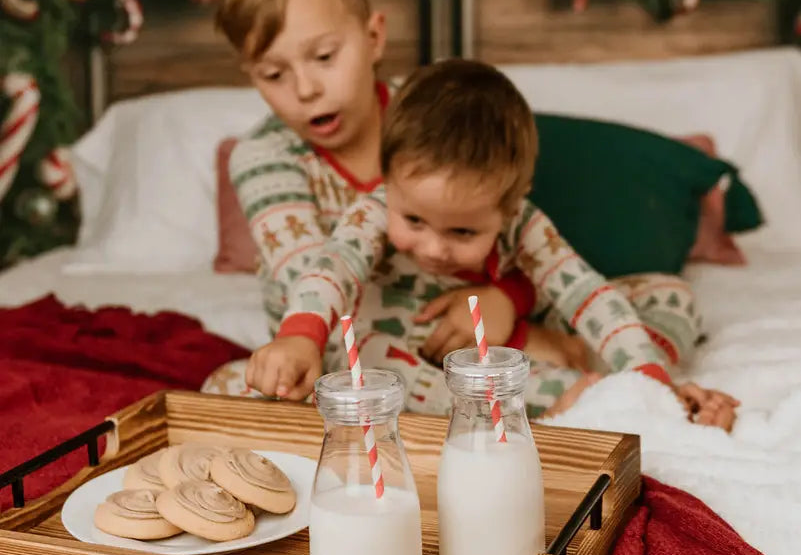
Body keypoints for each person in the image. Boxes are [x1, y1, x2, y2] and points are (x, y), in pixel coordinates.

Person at [239, 59, 738, 429]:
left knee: (670, 295)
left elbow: (586, 294)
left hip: (502, 335)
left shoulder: (523, 221)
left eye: (462, 233)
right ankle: (577, 399)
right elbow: (333, 268)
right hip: (410, 349)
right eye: (413, 220)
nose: (433, 248)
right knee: (372, 367)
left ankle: (645, 393)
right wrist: (300, 333)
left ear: (510, 204)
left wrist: (651, 378)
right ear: (389, 180)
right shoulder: (373, 208)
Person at [202, 0, 558, 397]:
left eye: (325, 56)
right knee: (230, 388)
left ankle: (554, 382)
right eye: (273, 74)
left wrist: (509, 300)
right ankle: (559, 398)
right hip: (348, 350)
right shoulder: (264, 159)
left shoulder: (434, 115)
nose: (305, 89)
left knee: (662, 297)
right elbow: (317, 292)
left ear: (373, 37)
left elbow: (519, 235)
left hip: (471, 326)